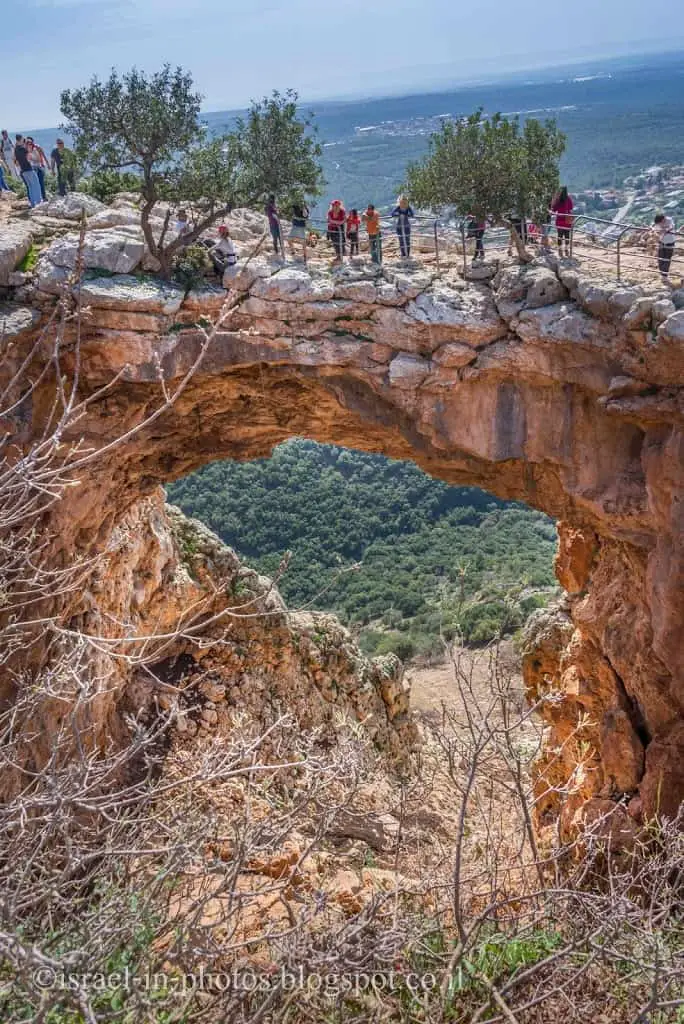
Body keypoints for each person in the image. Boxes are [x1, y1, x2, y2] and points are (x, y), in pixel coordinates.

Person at [13, 135, 42, 208]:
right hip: (29, 169)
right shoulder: (23, 149)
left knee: (30, 187)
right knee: (36, 185)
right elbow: (30, 157)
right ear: (21, 139)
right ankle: (39, 202)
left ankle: (33, 203)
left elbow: (16, 161)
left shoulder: (16, 149)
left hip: (23, 170)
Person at [652, 211, 676, 283]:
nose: (660, 223)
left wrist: (665, 230)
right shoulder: (657, 222)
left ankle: (664, 276)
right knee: (660, 258)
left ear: (663, 219)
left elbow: (672, 227)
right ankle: (662, 273)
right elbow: (655, 228)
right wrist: (657, 231)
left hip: (670, 242)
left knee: (667, 259)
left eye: (661, 222)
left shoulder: (669, 220)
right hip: (661, 242)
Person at [551, 186, 574, 258]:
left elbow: (554, 209)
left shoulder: (558, 200)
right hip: (567, 220)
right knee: (567, 235)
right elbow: (571, 208)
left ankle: (560, 250)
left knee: (559, 236)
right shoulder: (569, 199)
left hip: (559, 220)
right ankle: (566, 249)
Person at [26, 138, 49, 202]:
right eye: (27, 143)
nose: (29, 145)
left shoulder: (35, 150)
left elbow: (39, 159)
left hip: (38, 168)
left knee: (41, 183)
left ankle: (43, 197)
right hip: (30, 170)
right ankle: (35, 199)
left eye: (30, 143)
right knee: (33, 185)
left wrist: (32, 159)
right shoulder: (25, 152)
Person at [327, 199, 346, 263]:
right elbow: (329, 220)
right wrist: (337, 222)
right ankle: (338, 256)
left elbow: (343, 220)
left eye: (335, 205)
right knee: (335, 242)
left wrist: (334, 222)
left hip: (340, 228)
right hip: (332, 228)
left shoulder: (342, 211)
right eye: (333, 205)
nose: (334, 206)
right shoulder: (330, 212)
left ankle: (341, 255)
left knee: (340, 241)